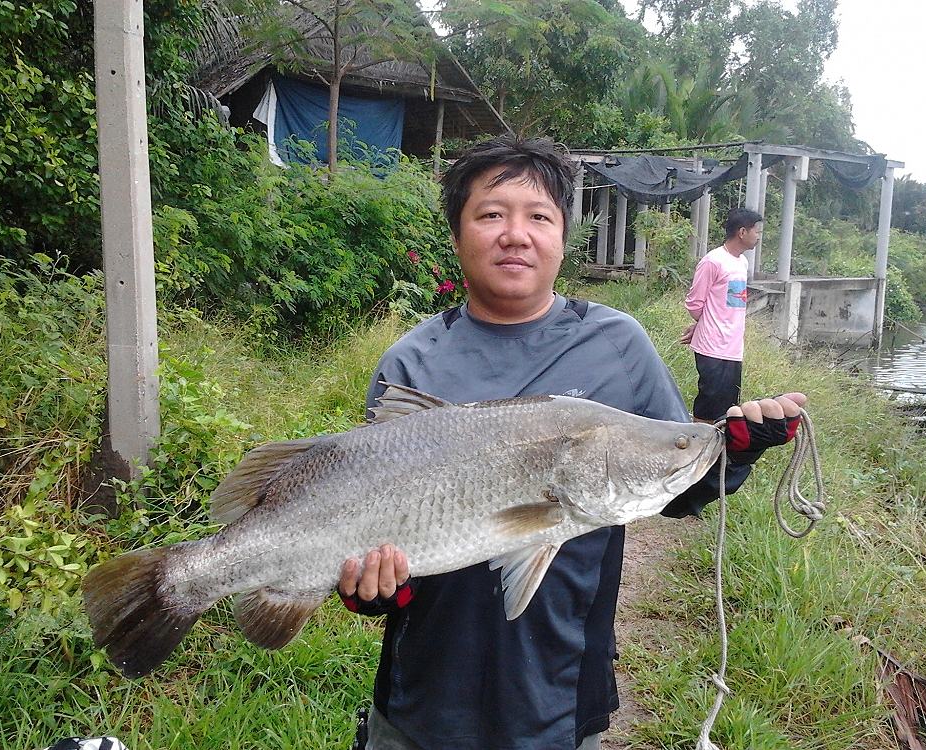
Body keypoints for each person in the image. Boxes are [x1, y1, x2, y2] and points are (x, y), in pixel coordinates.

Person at [337, 137, 803, 750]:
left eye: (538, 216)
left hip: (559, 688)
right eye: (490, 214)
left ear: (562, 236)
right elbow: (369, 526)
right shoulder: (410, 364)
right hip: (423, 695)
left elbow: (672, 492)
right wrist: (374, 588)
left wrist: (735, 449)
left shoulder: (618, 344)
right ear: (457, 235)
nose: (515, 233)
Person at [681, 207, 763, 422]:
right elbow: (694, 303)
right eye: (757, 231)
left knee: (728, 406)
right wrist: (704, 324)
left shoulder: (742, 262)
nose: (759, 236)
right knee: (709, 403)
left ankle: (720, 452)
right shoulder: (713, 261)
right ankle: (698, 447)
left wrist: (702, 324)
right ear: (742, 232)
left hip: (733, 348)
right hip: (713, 347)